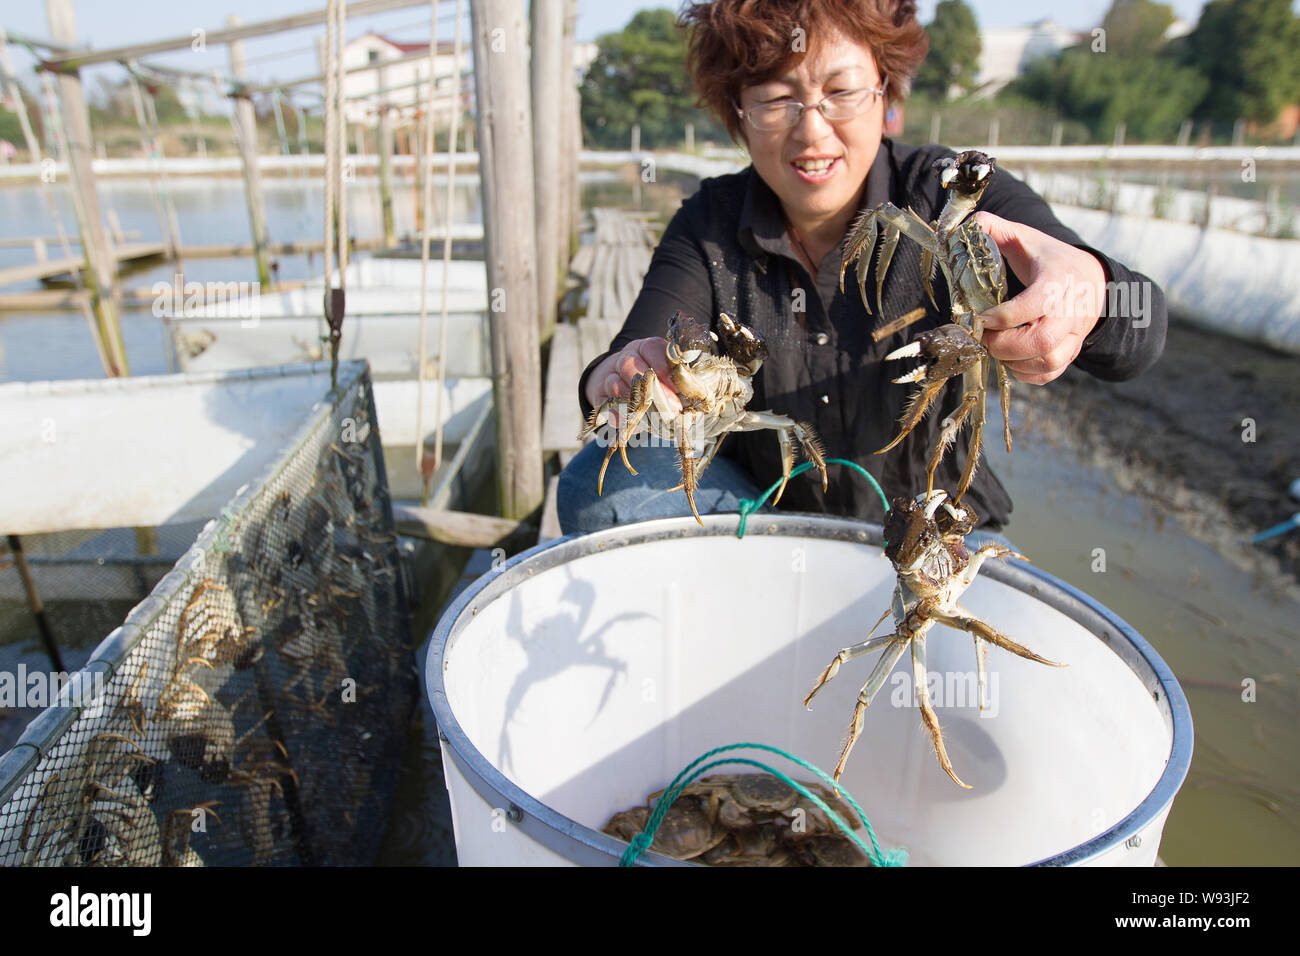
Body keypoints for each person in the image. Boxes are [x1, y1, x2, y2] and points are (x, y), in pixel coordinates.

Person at [558, 0, 1166, 536]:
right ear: (737, 113)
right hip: (765, 523)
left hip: (935, 532)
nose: (812, 130)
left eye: (841, 91)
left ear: (885, 93)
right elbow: (618, 371)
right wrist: (616, 378)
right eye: (775, 100)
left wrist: (1090, 286)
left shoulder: (948, 192)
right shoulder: (708, 223)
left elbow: (1138, 332)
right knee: (597, 484)